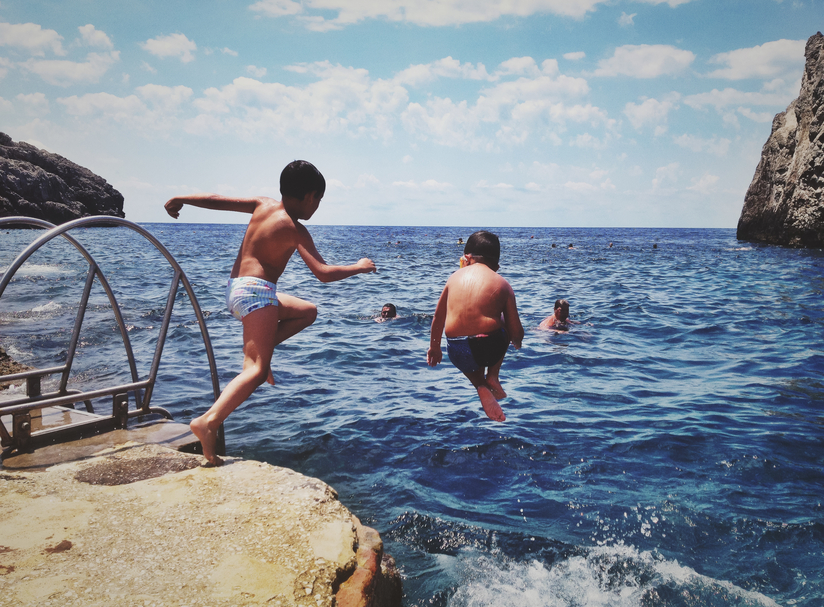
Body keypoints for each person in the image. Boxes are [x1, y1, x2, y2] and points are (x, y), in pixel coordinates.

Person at [164, 160, 376, 465]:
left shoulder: (262, 204)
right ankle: (208, 421)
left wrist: (182, 198)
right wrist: (359, 267)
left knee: (307, 311)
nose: (317, 206)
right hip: (257, 293)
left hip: (236, 289)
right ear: (310, 196)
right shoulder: (295, 229)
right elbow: (323, 273)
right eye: (318, 200)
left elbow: (217, 200)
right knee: (257, 371)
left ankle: (264, 348)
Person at [427, 231, 524, 422]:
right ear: (496, 265)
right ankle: (492, 376)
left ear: (466, 258)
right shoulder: (503, 284)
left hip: (457, 350)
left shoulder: (453, 278)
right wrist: (517, 340)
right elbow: (516, 331)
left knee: (463, 350)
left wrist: (434, 347)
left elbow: (438, 317)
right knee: (502, 323)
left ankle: (480, 384)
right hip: (489, 346)